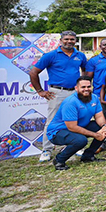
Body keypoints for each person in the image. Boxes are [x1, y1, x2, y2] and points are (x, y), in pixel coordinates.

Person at [29, 31, 88, 162]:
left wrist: (83, 86)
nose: (69, 41)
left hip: (75, 92)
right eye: (66, 39)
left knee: (75, 119)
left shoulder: (80, 55)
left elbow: (84, 70)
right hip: (56, 92)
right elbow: (34, 72)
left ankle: (76, 146)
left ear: (75, 41)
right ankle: (47, 150)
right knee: (52, 121)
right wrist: (40, 90)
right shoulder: (51, 55)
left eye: (72, 39)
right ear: (61, 40)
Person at [45, 76, 106, 170]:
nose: (86, 89)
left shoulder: (94, 98)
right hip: (58, 131)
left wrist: (104, 126)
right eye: (83, 87)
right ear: (76, 88)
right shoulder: (70, 102)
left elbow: (99, 116)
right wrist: (95, 135)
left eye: (88, 86)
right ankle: (59, 160)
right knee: (81, 140)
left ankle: (88, 156)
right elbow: (72, 127)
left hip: (78, 126)